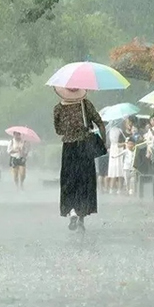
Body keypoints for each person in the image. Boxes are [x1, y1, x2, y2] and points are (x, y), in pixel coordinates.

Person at [53, 87, 106, 232]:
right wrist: (104, 142)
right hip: (85, 148)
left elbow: (58, 130)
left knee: (69, 180)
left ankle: (72, 212)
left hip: (69, 148)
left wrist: (70, 128)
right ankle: (82, 216)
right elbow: (100, 123)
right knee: (84, 181)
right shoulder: (85, 104)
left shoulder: (58, 108)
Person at [107, 119, 129, 194]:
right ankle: (119, 190)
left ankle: (111, 189)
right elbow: (122, 142)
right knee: (120, 170)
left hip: (112, 149)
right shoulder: (120, 131)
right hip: (119, 150)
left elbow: (108, 142)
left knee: (113, 171)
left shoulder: (109, 131)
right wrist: (126, 142)